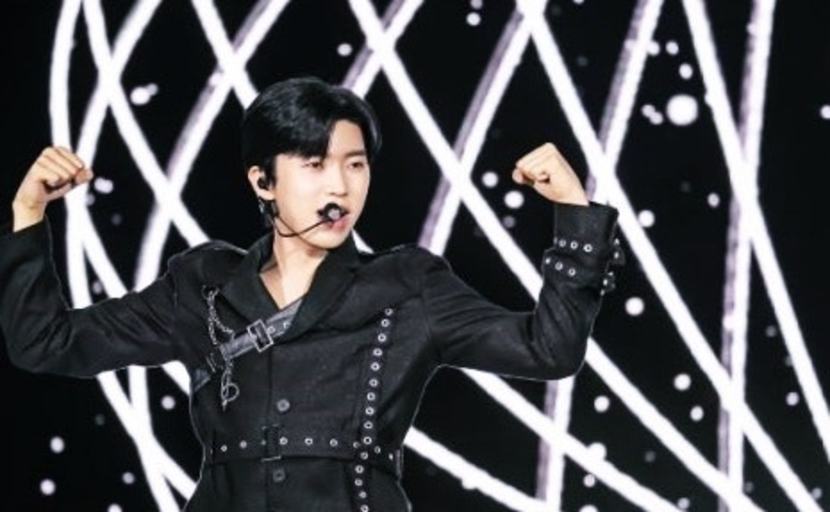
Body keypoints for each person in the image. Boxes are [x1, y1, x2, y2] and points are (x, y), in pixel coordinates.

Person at [0, 76, 623, 511]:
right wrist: (28, 215)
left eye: (355, 164)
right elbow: (44, 343)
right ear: (262, 181)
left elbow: (548, 350)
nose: (340, 188)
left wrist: (574, 213)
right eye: (315, 164)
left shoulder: (407, 285)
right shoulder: (202, 284)